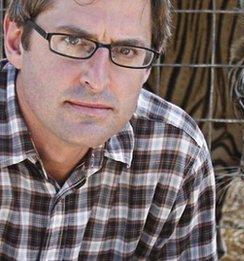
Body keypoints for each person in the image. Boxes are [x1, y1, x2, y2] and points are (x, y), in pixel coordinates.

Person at [0, 0, 217, 259]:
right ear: (16, 42)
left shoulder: (176, 153)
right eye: (72, 41)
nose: (97, 80)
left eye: (127, 51)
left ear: (148, 66)